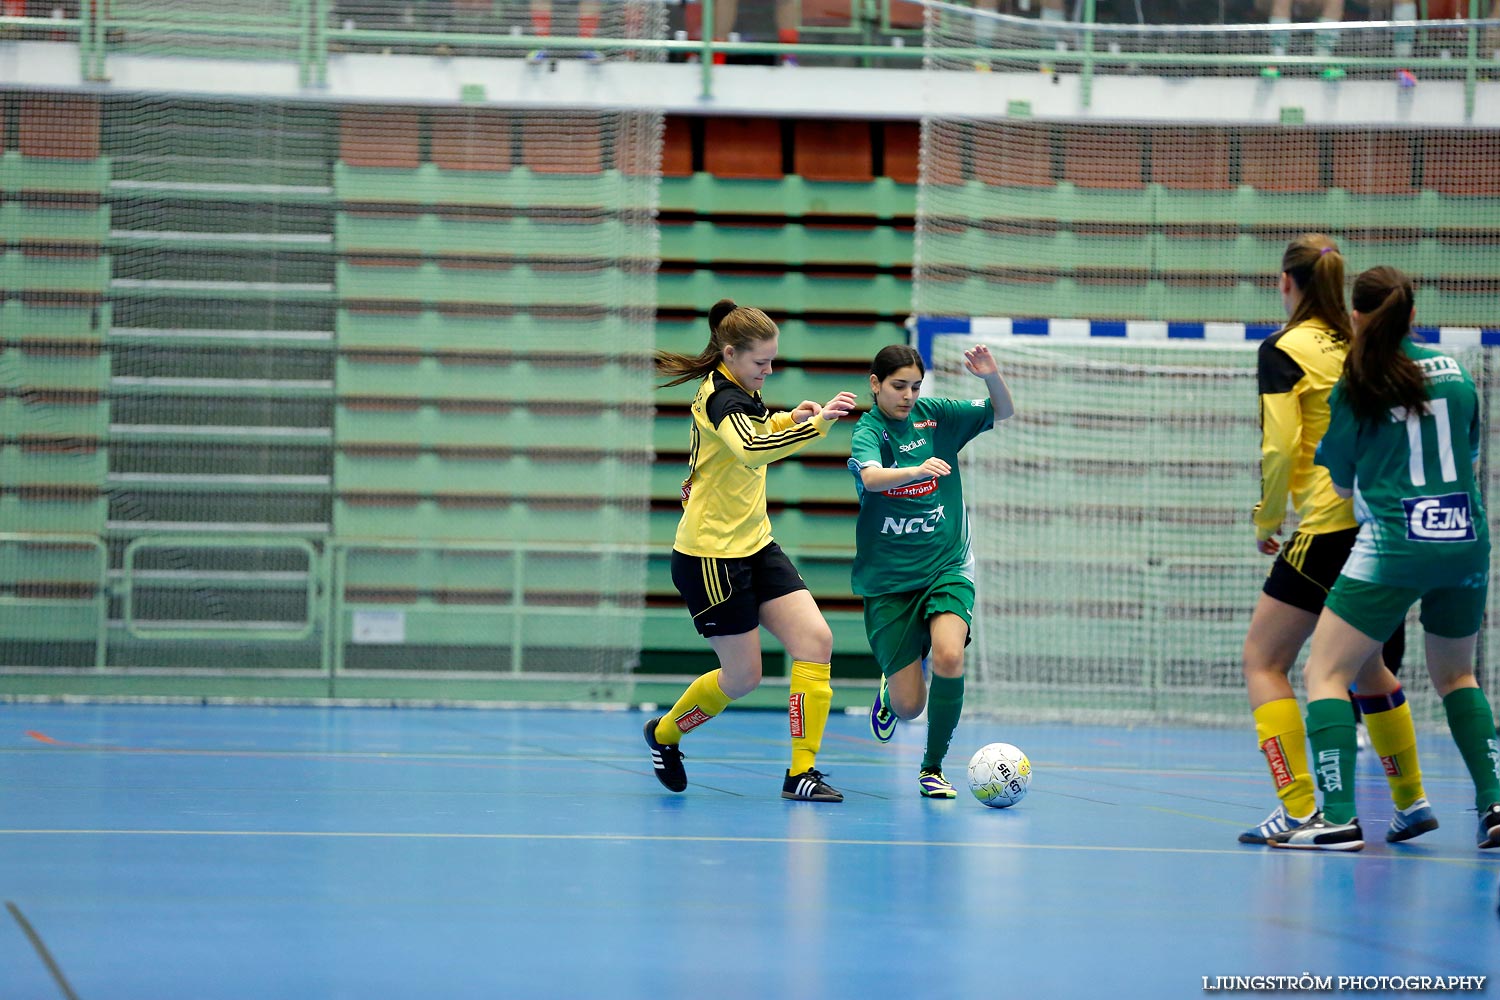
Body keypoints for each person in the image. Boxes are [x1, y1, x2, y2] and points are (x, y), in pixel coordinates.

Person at [1268, 266, 1500, 851]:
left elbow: (1341, 484)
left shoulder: (1360, 381)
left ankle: (1338, 816)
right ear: (1413, 315)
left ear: (1357, 318)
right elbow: (1468, 454)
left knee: (1325, 672)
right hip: (1467, 539)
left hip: (1395, 545)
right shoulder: (1458, 375)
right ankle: (1494, 804)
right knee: (1458, 675)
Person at [1240, 234, 1430, 847]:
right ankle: (1412, 799)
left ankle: (1300, 809)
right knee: (1366, 666)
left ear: (1286, 283)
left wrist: (1268, 521)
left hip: (1324, 524)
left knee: (1264, 661)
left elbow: (1280, 446)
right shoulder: (1357, 344)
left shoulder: (1283, 349)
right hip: (1378, 523)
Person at [644, 299, 859, 802]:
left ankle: (800, 773)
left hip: (756, 544)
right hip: (710, 559)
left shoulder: (743, 390)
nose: (769, 370)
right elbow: (750, 447)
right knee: (743, 678)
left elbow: (759, 431)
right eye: (761, 362)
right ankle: (665, 734)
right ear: (731, 354)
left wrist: (790, 417)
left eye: (772, 361)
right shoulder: (721, 398)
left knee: (816, 641)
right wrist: (818, 424)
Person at [850, 344, 1015, 797]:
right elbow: (869, 477)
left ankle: (932, 767)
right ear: (875, 385)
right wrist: (914, 470)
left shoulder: (937, 415)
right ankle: (893, 687)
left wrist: (991, 377)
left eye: (915, 386)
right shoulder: (869, 431)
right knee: (908, 707)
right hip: (889, 581)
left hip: (947, 564)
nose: (908, 395)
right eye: (899, 386)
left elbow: (1003, 410)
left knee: (948, 655)